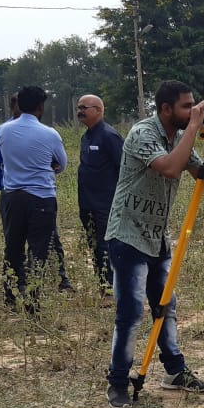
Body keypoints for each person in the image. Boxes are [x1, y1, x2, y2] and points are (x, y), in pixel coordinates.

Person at [103, 80, 204, 408]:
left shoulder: (179, 137)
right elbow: (170, 168)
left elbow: (202, 175)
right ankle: (118, 382)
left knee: (166, 306)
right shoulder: (143, 133)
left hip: (157, 237)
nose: (192, 111)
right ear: (166, 109)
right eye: (186, 106)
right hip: (128, 235)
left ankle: (174, 371)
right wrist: (193, 127)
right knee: (131, 313)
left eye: (193, 105)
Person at [0, 86, 67, 313]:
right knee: (38, 250)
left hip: (12, 197)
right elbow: (61, 164)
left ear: (19, 105)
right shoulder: (50, 134)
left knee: (13, 246)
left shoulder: (2, 132)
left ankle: (10, 294)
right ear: (41, 107)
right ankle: (32, 301)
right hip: (41, 197)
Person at [75, 94, 123, 294]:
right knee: (94, 244)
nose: (80, 111)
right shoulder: (86, 136)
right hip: (87, 203)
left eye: (84, 107)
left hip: (106, 203)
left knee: (105, 245)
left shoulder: (109, 136)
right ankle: (103, 284)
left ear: (98, 110)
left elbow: (124, 169)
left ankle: (110, 288)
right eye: (78, 108)